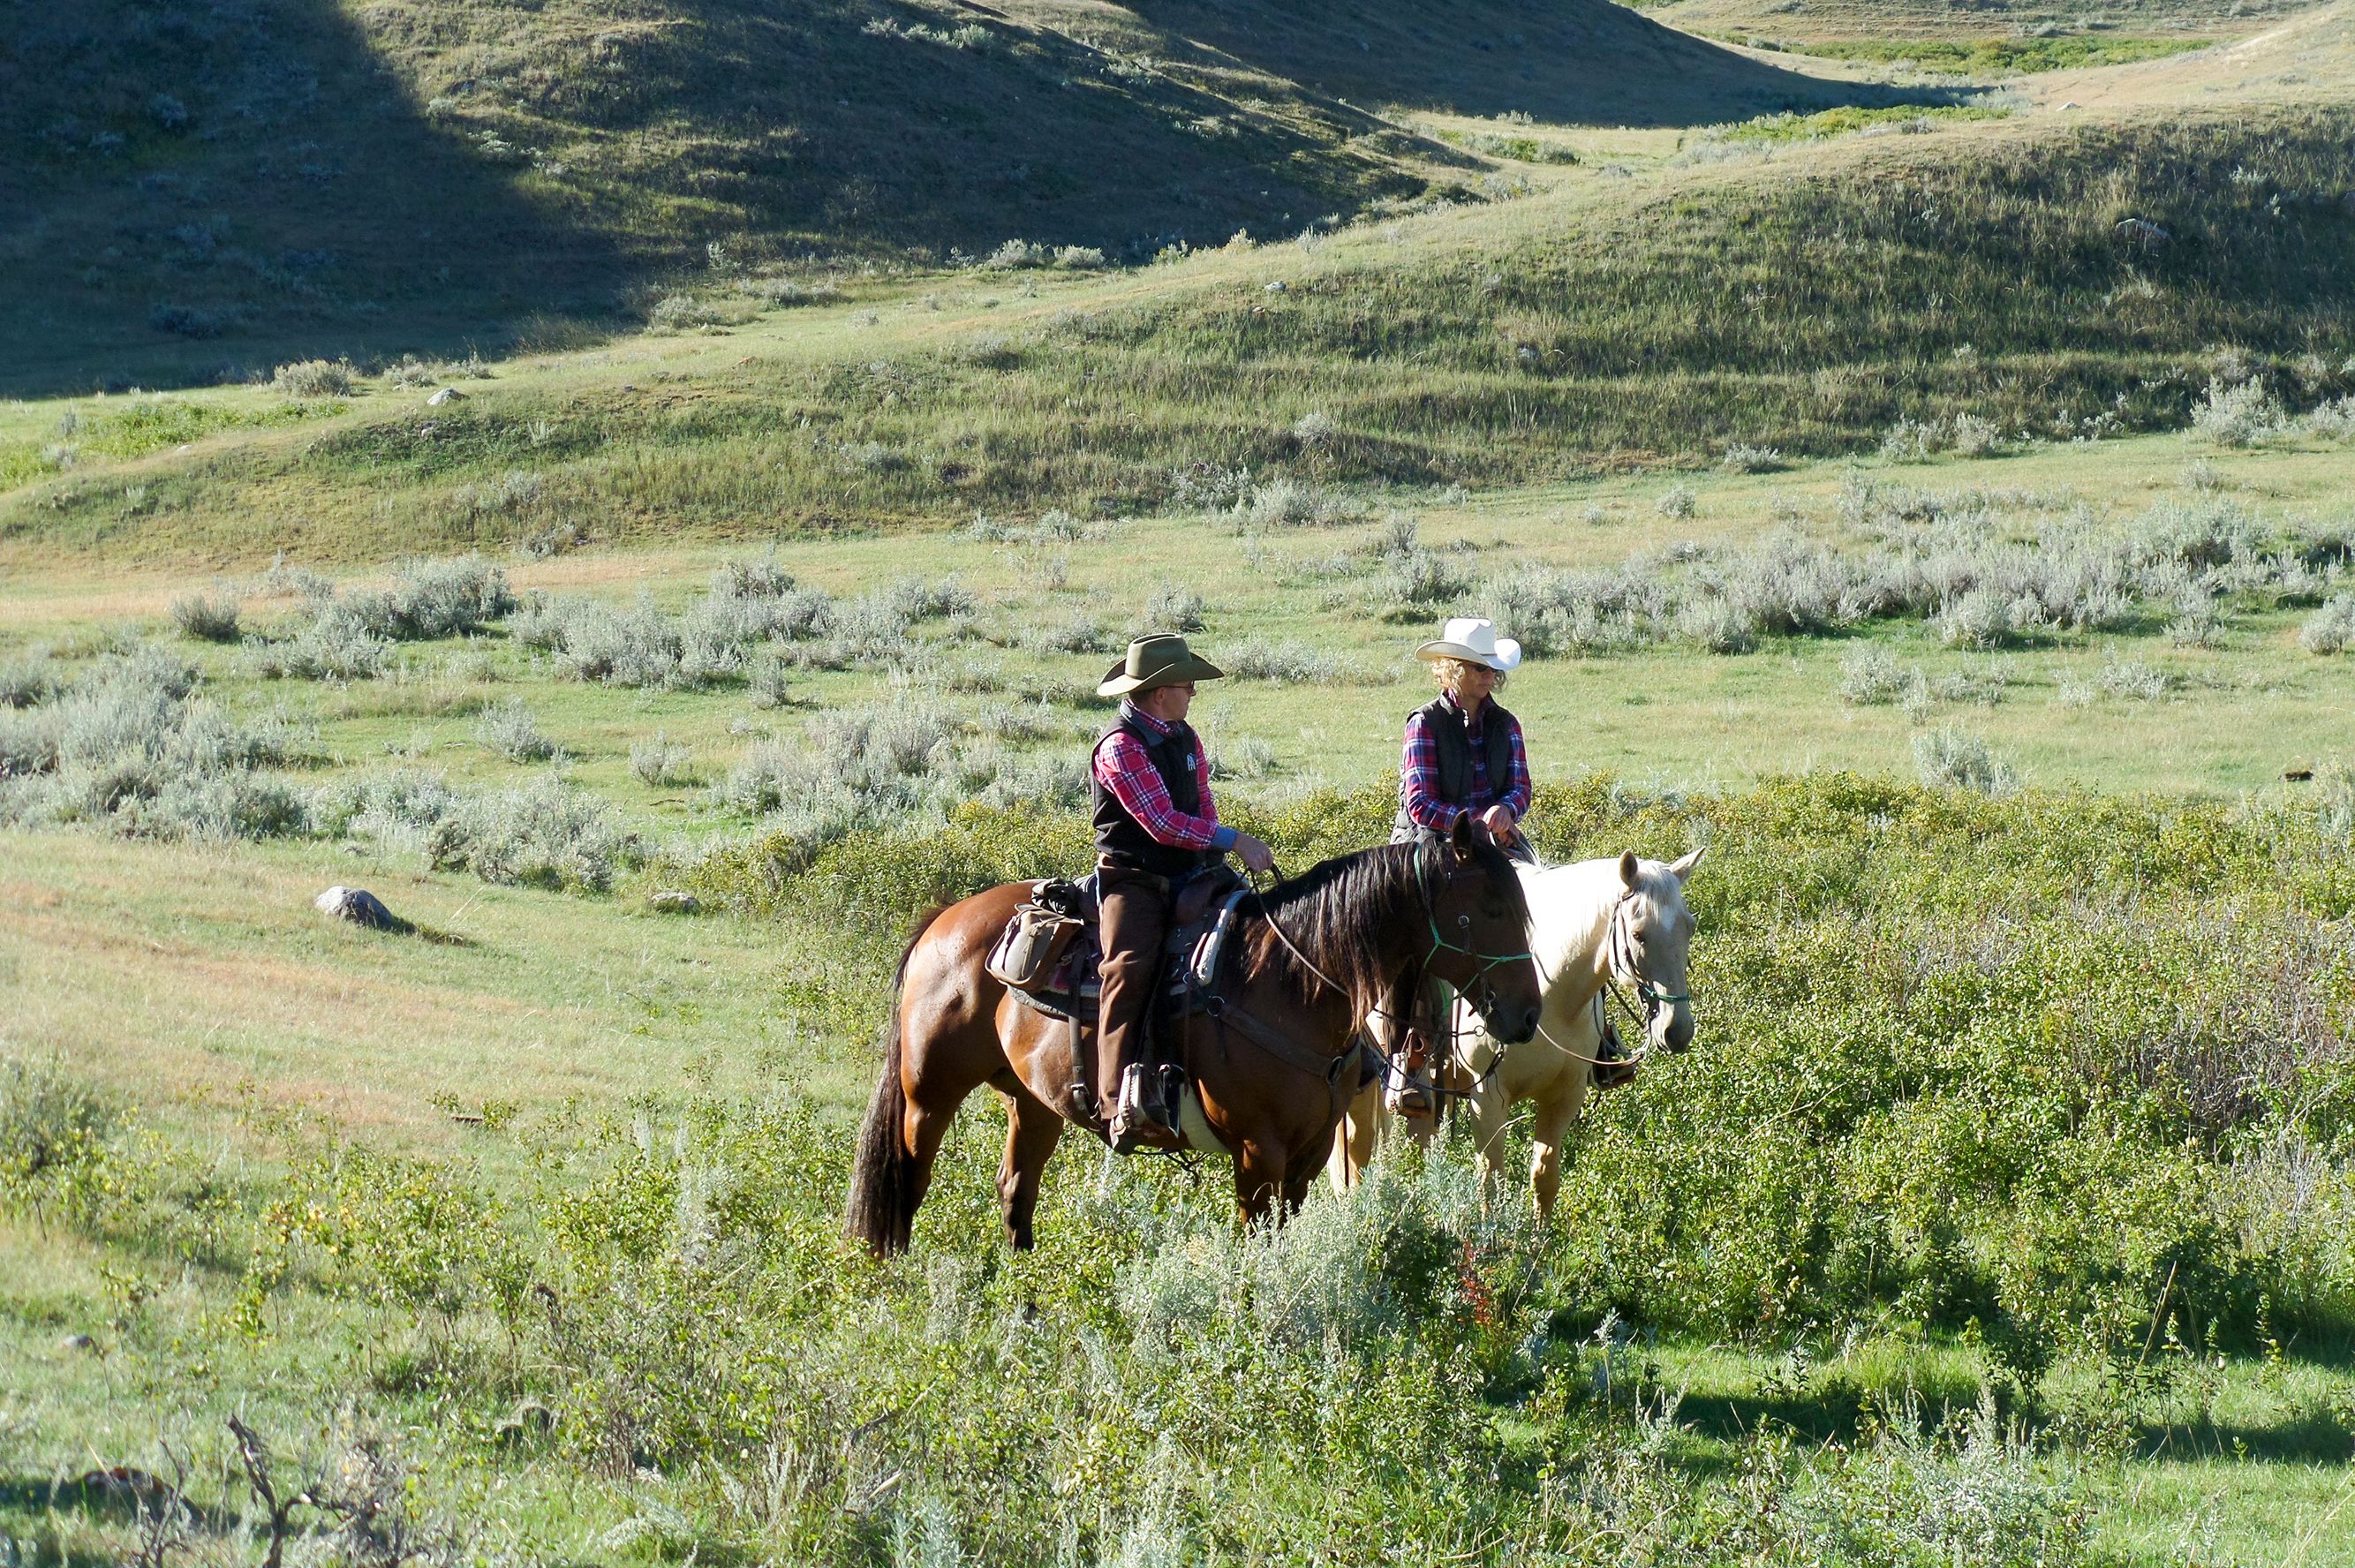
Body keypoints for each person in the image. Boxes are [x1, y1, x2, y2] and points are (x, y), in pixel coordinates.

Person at [1091, 634, 1277, 1151]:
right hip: (1134, 879)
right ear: (1157, 693)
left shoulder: (1183, 735)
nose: (1193, 691)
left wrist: (1216, 851)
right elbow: (1161, 824)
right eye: (1185, 684)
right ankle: (1113, 1101)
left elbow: (1201, 805)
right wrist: (1233, 841)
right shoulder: (1120, 747)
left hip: (1192, 871)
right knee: (1128, 969)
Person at [1384, 617, 1535, 1118]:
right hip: (1428, 848)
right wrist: (1474, 822)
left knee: (1547, 899)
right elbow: (1420, 803)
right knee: (1418, 939)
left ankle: (1598, 1036)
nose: (1489, 676)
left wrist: (1508, 810)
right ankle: (1411, 1055)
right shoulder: (1423, 724)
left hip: (1493, 846)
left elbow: (1520, 787)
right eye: (1479, 667)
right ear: (1453, 670)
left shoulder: (1506, 723)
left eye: (1492, 668)